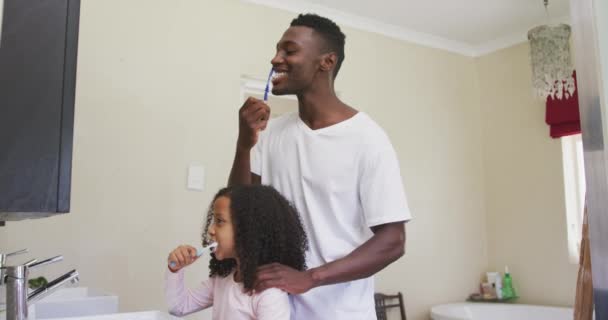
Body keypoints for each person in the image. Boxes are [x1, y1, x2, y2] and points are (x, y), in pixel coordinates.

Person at [228, 13, 412, 319]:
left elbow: (393, 242)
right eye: (277, 50)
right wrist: (244, 145)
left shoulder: (368, 138)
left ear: (326, 62)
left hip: (342, 313)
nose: (275, 59)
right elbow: (238, 210)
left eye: (289, 50)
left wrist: (309, 278)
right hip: (277, 309)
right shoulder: (271, 133)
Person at [165, 185, 308, 320]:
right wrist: (175, 268)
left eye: (219, 221)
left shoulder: (269, 294)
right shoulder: (222, 279)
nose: (211, 230)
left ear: (248, 230)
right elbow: (178, 307)